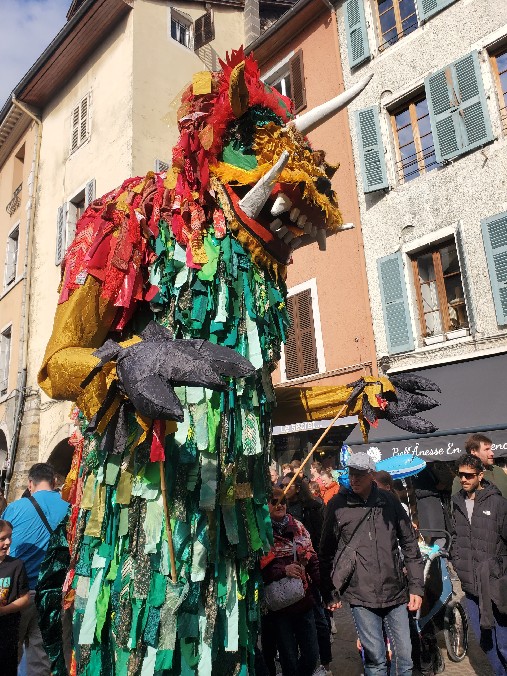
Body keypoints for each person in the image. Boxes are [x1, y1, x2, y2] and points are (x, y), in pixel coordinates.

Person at [320, 452, 424, 676]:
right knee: (375, 658)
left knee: (404, 658)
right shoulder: (337, 505)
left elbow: (409, 543)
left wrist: (416, 586)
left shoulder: (389, 500)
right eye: (351, 473)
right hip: (361, 594)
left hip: (395, 590)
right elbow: (325, 551)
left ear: (371, 475)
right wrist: (329, 592)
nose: (354, 479)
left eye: (359, 474)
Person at [2, 463, 69, 675]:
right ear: (55, 482)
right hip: (52, 593)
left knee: (7, 653)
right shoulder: (69, 507)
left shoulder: (15, 508)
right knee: (41, 658)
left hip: (17, 594)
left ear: (30, 483)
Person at [451, 453, 507, 674]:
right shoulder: (456, 502)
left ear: (480, 475)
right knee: (486, 643)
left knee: (504, 643)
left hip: (495, 584)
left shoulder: (498, 503)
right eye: (461, 475)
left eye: (469, 475)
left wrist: (500, 569)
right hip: (471, 586)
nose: (464, 479)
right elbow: (456, 537)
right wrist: (458, 562)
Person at [260, 487, 322, 676]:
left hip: (303, 600)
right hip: (279, 607)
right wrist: (283, 570)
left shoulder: (298, 527)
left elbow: (313, 559)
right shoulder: (262, 532)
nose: (280, 505)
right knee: (289, 659)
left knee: (311, 655)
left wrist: (325, 589)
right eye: (274, 501)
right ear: (266, 505)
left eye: (283, 501)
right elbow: (258, 568)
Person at [0, 519, 30, 675]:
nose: (8, 542)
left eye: (10, 537)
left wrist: (4, 611)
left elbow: (25, 598)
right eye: (2, 538)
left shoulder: (16, 565)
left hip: (7, 634)